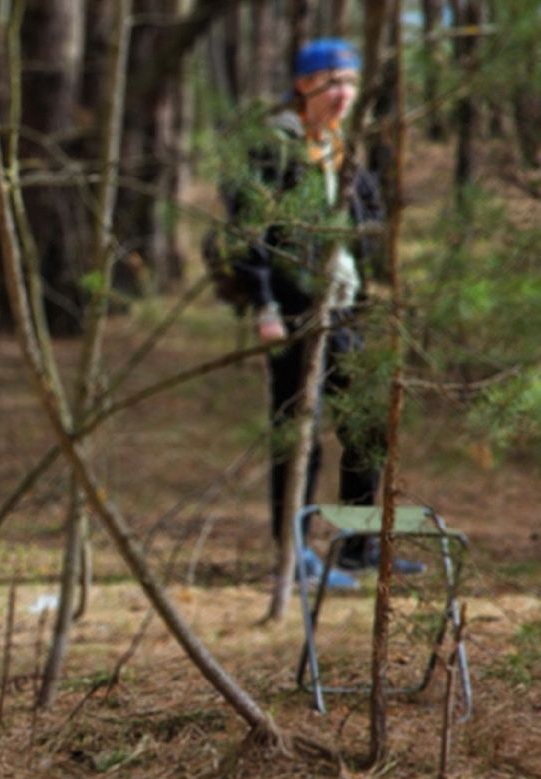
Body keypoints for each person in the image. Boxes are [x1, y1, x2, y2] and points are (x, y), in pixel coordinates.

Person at [224, 38, 416, 587]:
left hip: (344, 310)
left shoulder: (340, 147)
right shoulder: (274, 148)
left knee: (364, 425)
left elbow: (369, 214)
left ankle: (356, 545)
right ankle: (293, 553)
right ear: (303, 85)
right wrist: (264, 304)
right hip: (293, 312)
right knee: (297, 434)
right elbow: (246, 234)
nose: (343, 94)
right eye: (332, 82)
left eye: (351, 83)